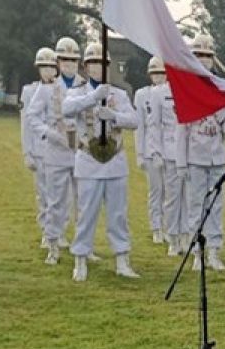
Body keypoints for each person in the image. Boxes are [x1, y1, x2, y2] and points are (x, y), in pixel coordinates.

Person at [62, 42, 141, 282]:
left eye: (102, 63)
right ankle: (80, 258)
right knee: (87, 213)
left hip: (114, 160)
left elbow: (134, 120)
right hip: (89, 159)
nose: (98, 68)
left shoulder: (119, 94)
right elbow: (67, 109)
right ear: (86, 67)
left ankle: (122, 259)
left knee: (118, 215)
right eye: (93, 63)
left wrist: (115, 116)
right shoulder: (78, 91)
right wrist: (93, 98)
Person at [178, 38, 225, 272]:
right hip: (195, 156)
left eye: (207, 56)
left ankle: (214, 250)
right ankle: (198, 253)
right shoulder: (187, 88)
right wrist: (181, 162)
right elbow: (181, 128)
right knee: (196, 205)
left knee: (216, 205)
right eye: (199, 55)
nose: (203, 60)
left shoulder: (219, 88)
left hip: (217, 156)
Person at [26, 37, 83, 266]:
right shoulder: (48, 88)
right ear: (58, 62)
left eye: (73, 60)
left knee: (83, 202)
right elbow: (32, 116)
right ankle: (52, 244)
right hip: (56, 150)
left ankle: (83, 245)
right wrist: (49, 133)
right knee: (55, 201)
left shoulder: (84, 87)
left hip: (81, 151)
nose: (69, 64)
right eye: (65, 60)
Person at [22, 47, 58, 251]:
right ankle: (46, 231)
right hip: (39, 148)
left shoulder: (61, 89)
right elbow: (26, 124)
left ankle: (58, 232)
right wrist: (27, 152)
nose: (47, 71)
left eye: (50, 67)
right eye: (43, 67)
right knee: (43, 194)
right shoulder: (30, 91)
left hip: (59, 149)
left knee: (60, 195)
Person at [152, 59, 189, 257]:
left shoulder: (189, 88)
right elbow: (154, 124)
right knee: (172, 198)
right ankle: (173, 238)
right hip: (170, 151)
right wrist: (155, 151)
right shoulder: (159, 93)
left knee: (189, 198)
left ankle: (186, 236)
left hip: (190, 152)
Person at [134, 56, 167, 245]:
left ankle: (170, 227)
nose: (158, 77)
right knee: (156, 191)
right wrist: (140, 154)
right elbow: (140, 126)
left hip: (169, 149)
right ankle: (156, 227)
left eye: (161, 73)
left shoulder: (171, 93)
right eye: (154, 73)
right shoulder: (141, 95)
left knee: (171, 192)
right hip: (150, 150)